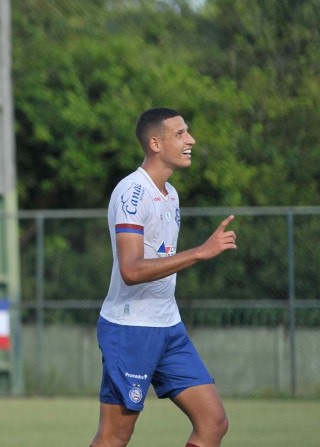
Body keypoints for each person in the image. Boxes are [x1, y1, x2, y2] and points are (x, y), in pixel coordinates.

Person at [91, 108, 236, 447]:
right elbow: (131, 270)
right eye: (181, 133)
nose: (191, 140)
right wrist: (200, 251)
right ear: (155, 143)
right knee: (115, 436)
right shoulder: (131, 193)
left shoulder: (170, 194)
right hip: (130, 330)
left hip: (168, 326)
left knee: (213, 423)